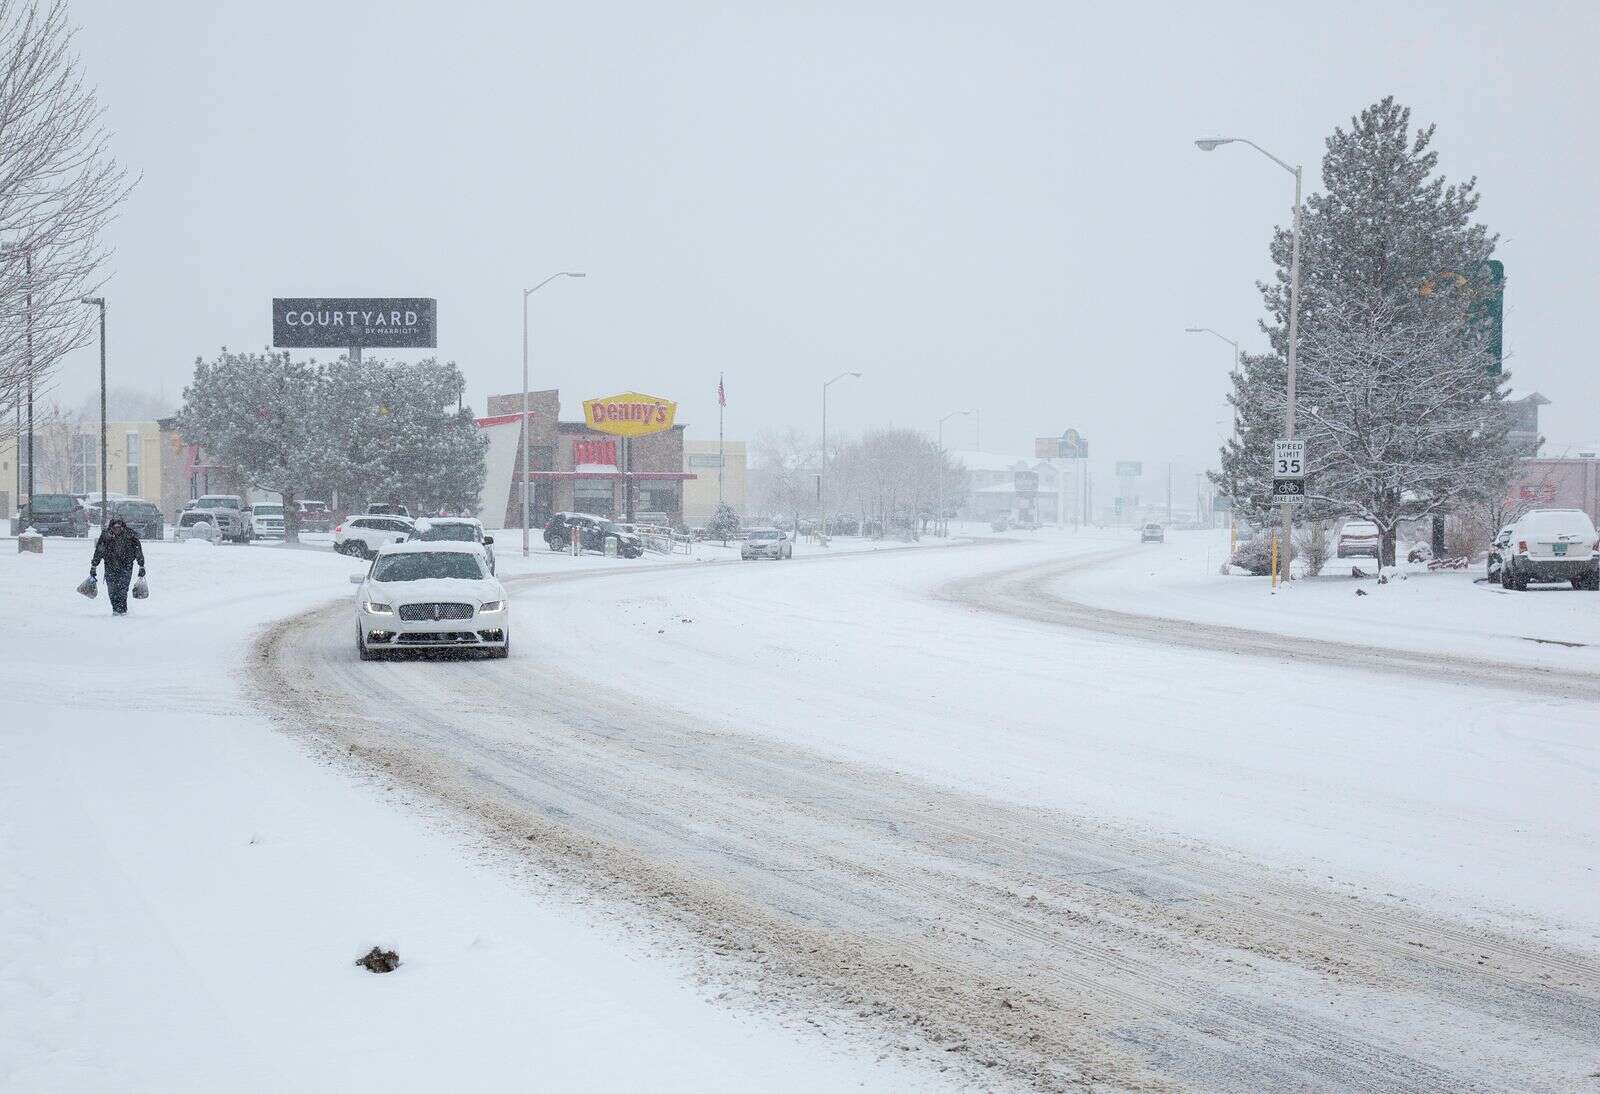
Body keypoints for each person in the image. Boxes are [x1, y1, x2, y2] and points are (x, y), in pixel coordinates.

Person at [90, 517, 146, 616]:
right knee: (112, 589)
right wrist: (94, 565)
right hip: (110, 566)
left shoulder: (130, 536)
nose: (116, 530)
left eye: (118, 527)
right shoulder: (106, 536)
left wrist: (141, 565)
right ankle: (115, 609)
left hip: (126, 566)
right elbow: (99, 551)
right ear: (111, 527)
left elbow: (138, 551)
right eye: (114, 528)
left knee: (123, 589)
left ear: (122, 527)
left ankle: (122, 609)